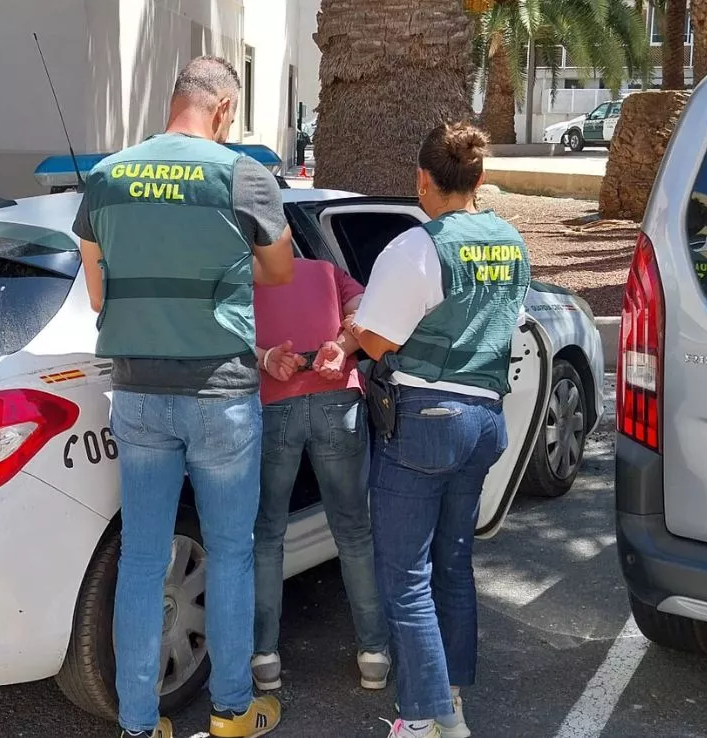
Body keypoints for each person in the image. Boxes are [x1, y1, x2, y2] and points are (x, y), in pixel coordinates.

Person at [73, 55, 295, 738]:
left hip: (139, 393)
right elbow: (281, 270)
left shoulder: (108, 178)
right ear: (224, 109)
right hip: (221, 393)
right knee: (230, 553)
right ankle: (232, 714)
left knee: (143, 557)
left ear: (175, 101)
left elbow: (98, 291)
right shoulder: (240, 175)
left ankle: (140, 725)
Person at [346, 122, 531, 738]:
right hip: (484, 421)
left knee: (405, 577)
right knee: (453, 563)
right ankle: (450, 705)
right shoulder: (511, 242)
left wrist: (352, 326)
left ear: (423, 179)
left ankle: (423, 719)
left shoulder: (416, 248)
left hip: (424, 421)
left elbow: (378, 341)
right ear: (478, 180)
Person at [249, 257, 391, 693]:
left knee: (268, 535)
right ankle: (373, 655)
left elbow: (224, 331)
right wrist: (343, 342)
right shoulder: (328, 271)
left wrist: (265, 357)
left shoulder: (242, 273)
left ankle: (265, 658)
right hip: (337, 401)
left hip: (273, 402)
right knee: (353, 533)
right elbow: (369, 309)